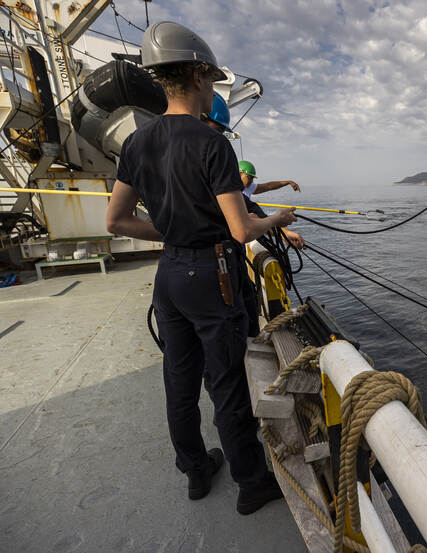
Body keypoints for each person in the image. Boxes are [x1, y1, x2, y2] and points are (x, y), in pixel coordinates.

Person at [105, 21, 292, 515]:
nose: (211, 86)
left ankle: (195, 468)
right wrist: (279, 218)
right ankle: (252, 483)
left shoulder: (137, 143)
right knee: (226, 380)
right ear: (195, 77)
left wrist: (171, 234)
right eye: (209, 78)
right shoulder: (213, 145)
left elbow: (117, 220)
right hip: (213, 277)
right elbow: (240, 230)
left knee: (179, 377)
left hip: (169, 276)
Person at [203, 94, 305, 249]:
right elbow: (243, 230)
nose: (250, 181)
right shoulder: (218, 177)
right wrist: (277, 219)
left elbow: (268, 187)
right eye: (248, 177)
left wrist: (287, 182)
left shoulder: (243, 192)